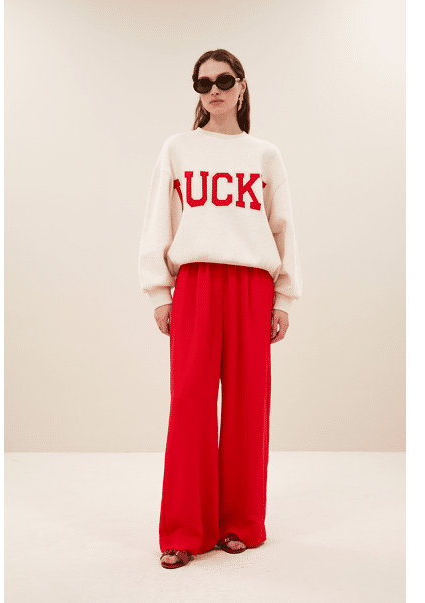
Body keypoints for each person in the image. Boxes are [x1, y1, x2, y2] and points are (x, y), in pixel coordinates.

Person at [138, 49, 303, 569]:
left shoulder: (264, 155)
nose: (214, 90)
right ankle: (185, 530)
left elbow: (283, 227)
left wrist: (283, 297)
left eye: (224, 80)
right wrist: (159, 291)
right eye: (203, 82)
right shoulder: (178, 148)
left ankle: (240, 523)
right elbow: (158, 220)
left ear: (242, 87)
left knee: (248, 404)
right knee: (189, 402)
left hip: (253, 285)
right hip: (196, 283)